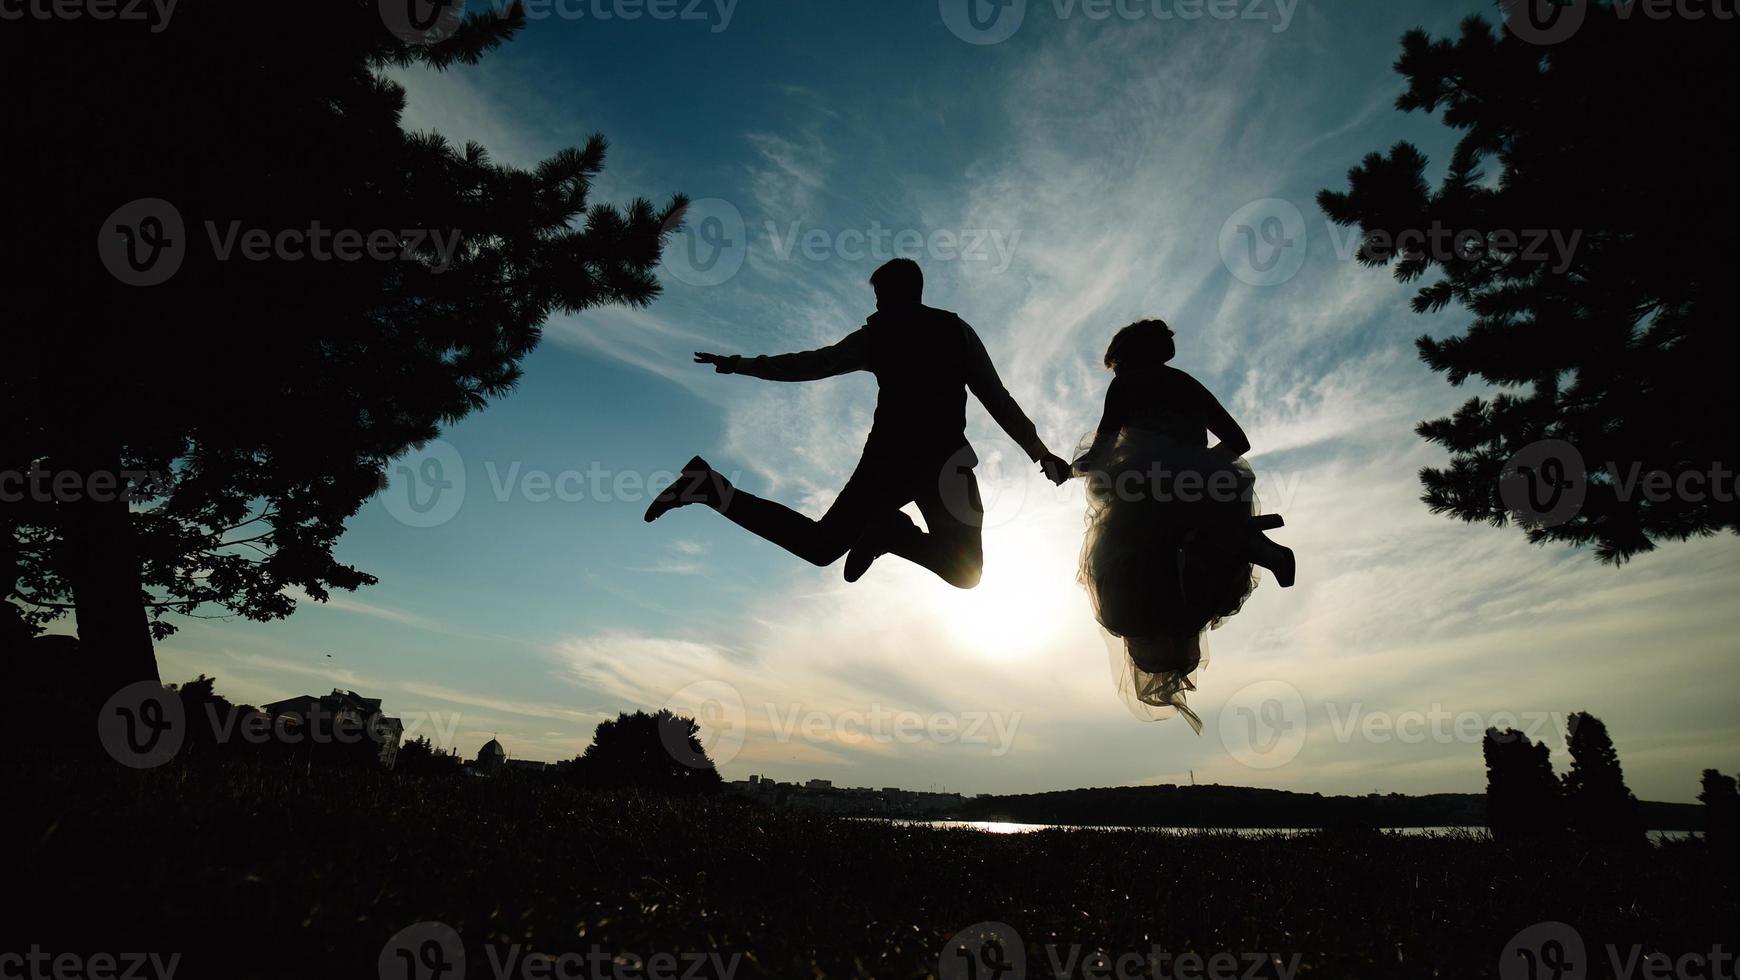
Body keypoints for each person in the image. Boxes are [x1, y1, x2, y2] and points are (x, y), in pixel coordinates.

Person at [645, 258, 1071, 587]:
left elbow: (811, 364)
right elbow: (997, 398)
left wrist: (741, 365)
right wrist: (1040, 453)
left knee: (822, 546)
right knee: (966, 573)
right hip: (940, 463)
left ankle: (712, 488)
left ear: (889, 295)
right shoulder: (952, 331)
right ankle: (890, 532)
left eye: (879, 298)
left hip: (897, 462)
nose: (878, 306)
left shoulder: (882, 334)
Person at [1071, 318, 1294, 730]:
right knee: (1205, 540)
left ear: (1124, 358)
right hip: (1201, 486)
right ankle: (1264, 550)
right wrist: (1200, 465)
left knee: (1127, 568)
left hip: (1143, 487)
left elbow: (1102, 445)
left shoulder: (1126, 384)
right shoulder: (1187, 383)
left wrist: (1078, 467)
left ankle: (1171, 613)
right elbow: (1238, 442)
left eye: (1116, 364)